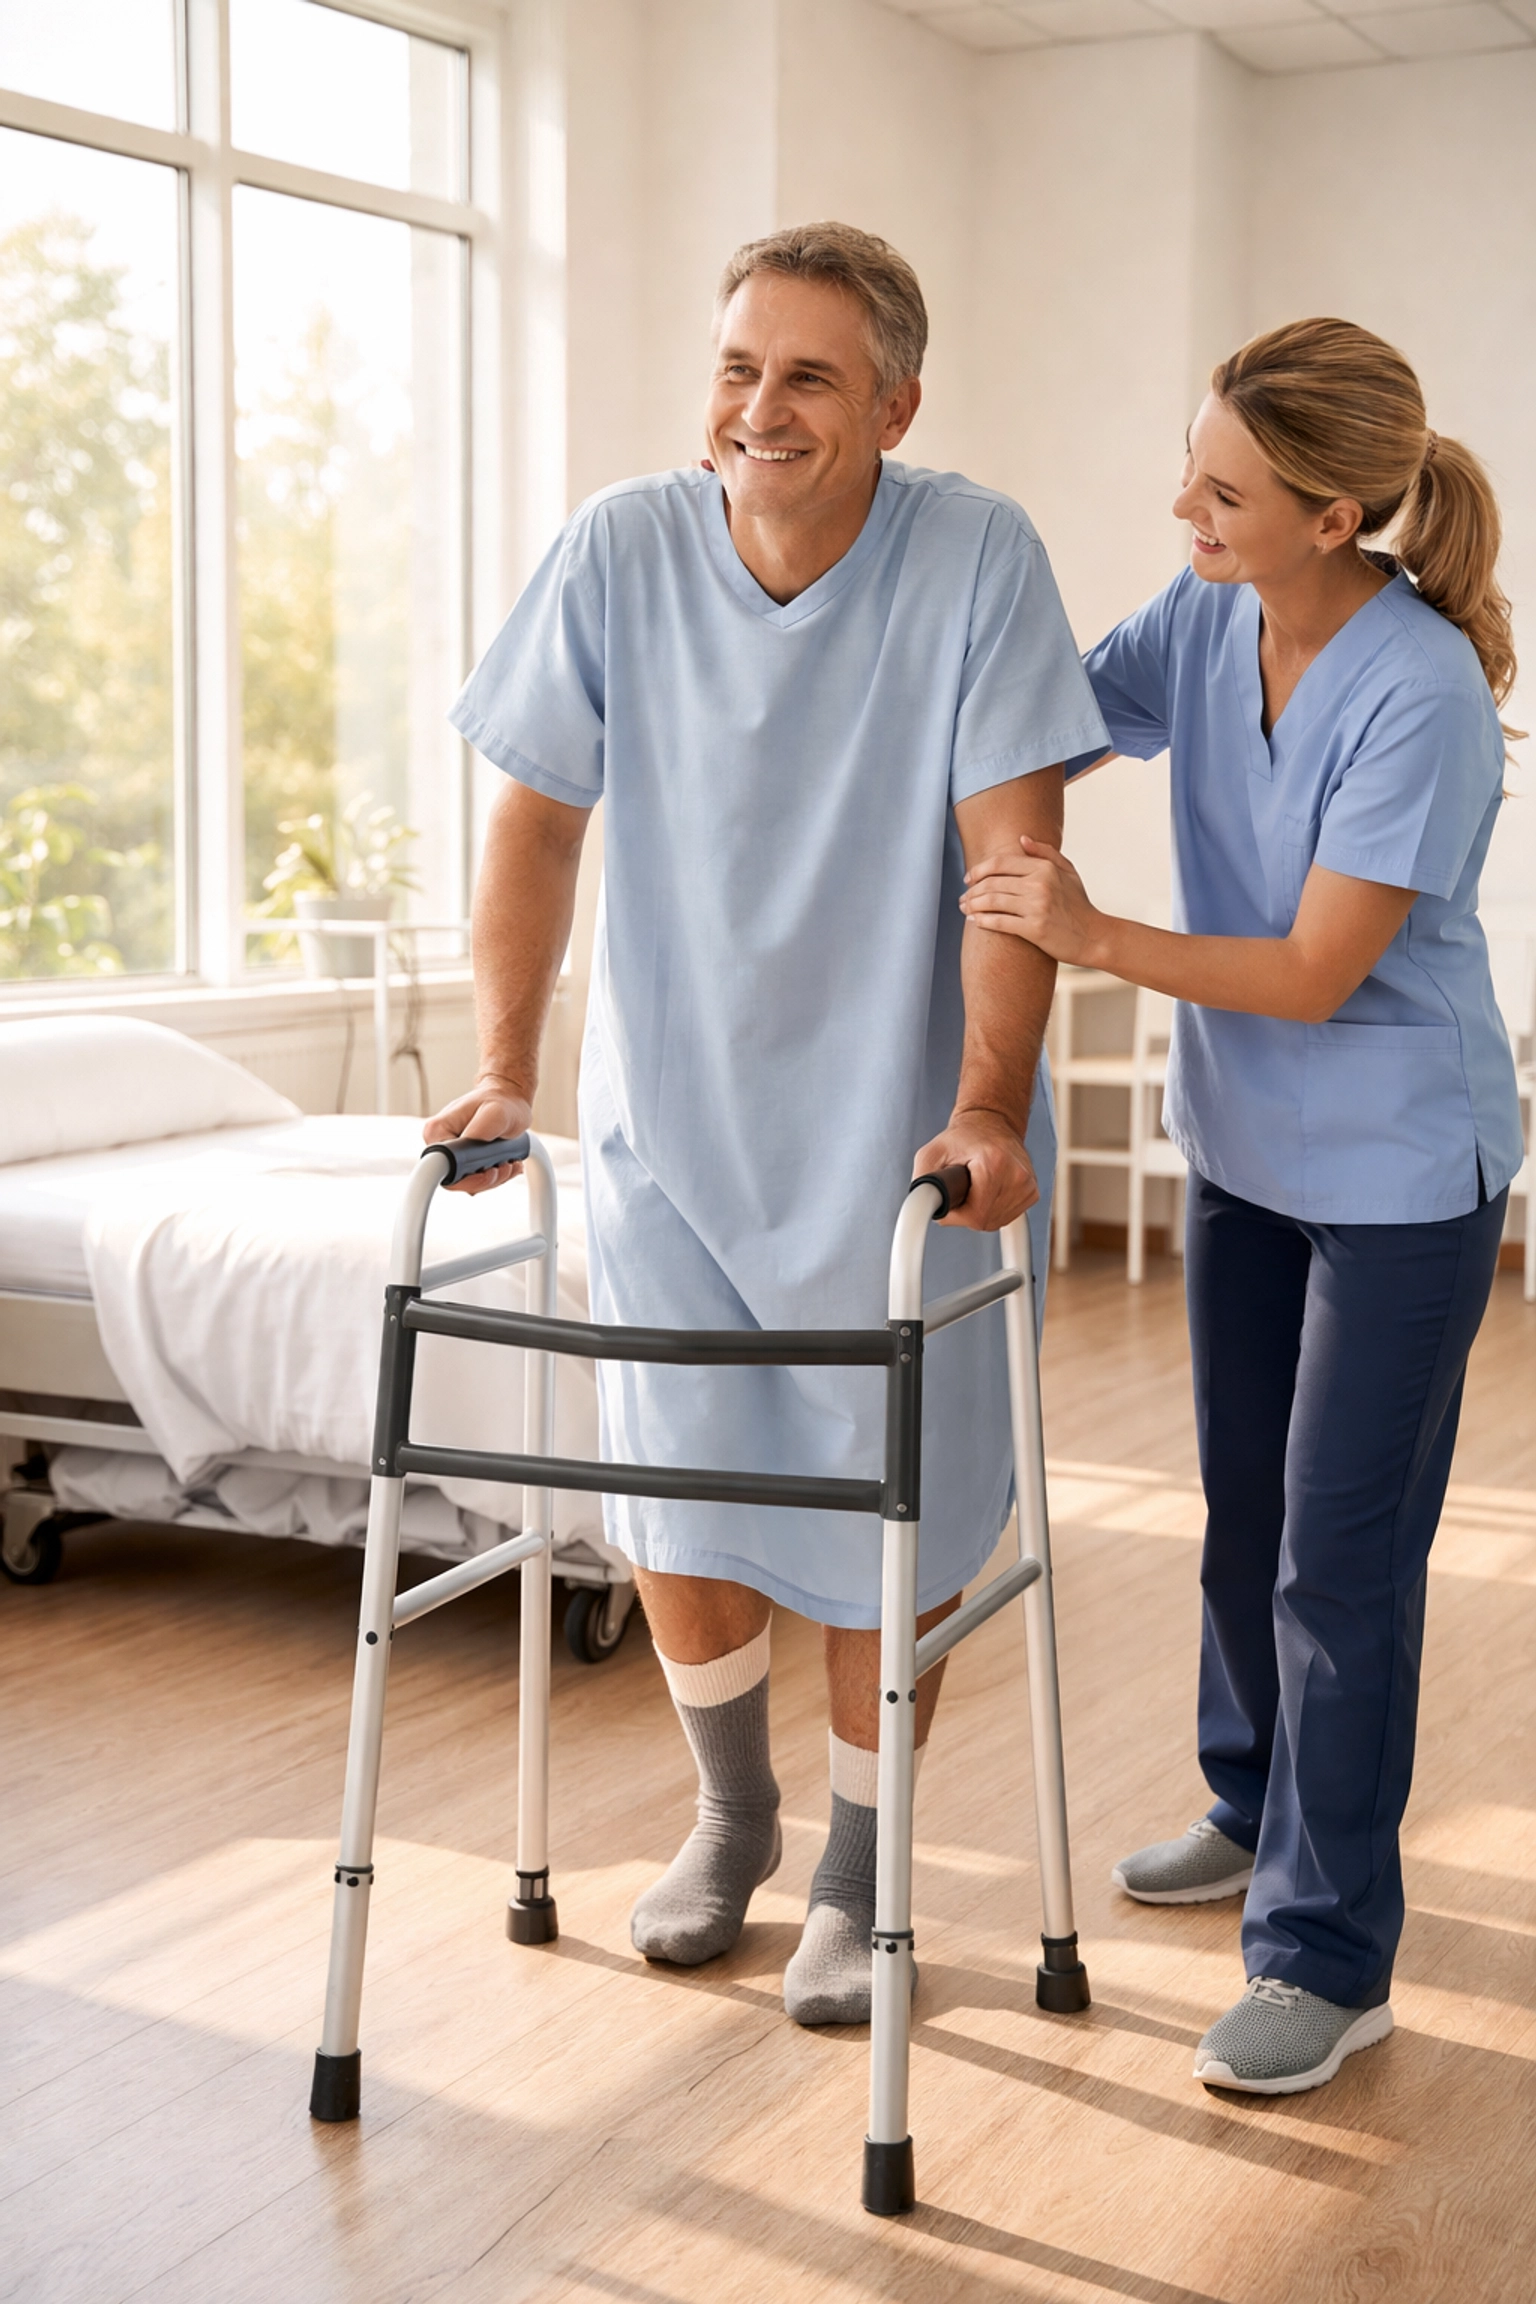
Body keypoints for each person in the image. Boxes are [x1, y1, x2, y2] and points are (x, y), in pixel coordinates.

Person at [425, 223, 1107, 2026]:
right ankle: (733, 1822)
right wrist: (508, 1061)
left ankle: (862, 1871)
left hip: (895, 1149)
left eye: (807, 373)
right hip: (675, 1131)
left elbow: (1013, 867)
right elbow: (537, 823)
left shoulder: (974, 556)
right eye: (738, 364)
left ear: (894, 400)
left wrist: (985, 1105)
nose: (760, 405)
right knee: (680, 1489)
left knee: (900, 1506)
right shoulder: (620, 548)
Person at [961, 318, 1522, 2095]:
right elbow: (1044, 710)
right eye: (1189, 467)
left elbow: (1312, 968)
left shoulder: (1420, 689)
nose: (1180, 505)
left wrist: (1089, 935)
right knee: (1241, 1511)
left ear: (1337, 512)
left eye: (1223, 488)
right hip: (1247, 1155)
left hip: (1402, 1179)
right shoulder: (1205, 617)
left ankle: (1328, 1955)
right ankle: (1248, 1802)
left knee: (1340, 1563)